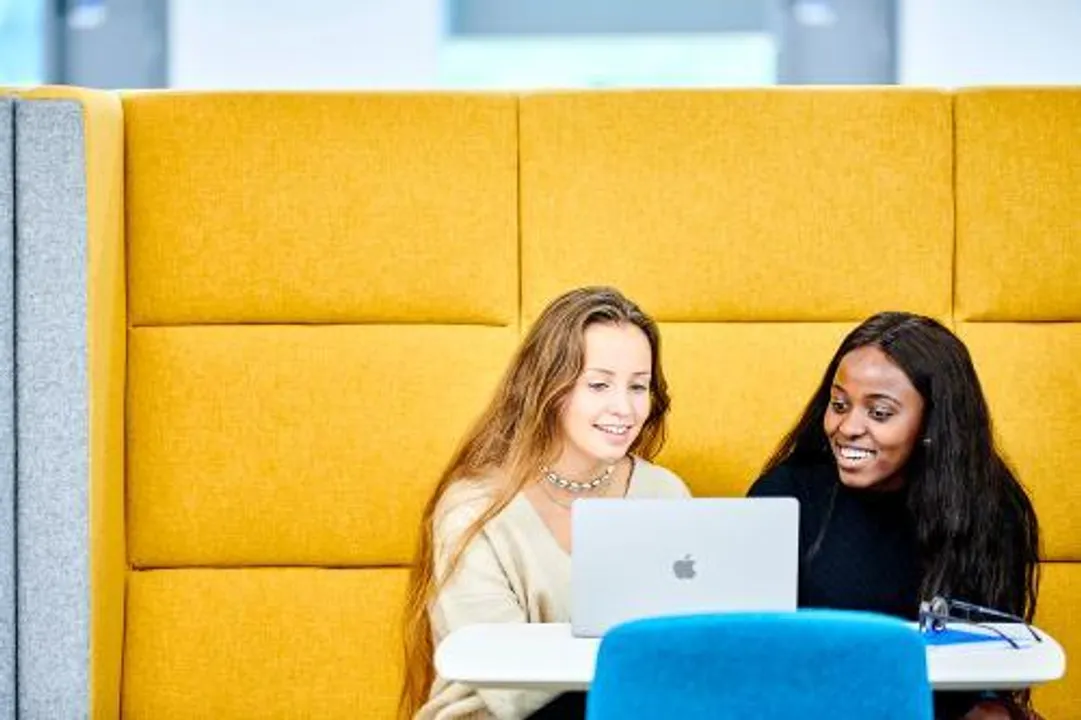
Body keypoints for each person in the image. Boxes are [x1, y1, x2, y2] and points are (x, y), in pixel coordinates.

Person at [399, 286, 691, 720]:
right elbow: (511, 687)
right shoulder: (474, 508)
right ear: (549, 388)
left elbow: (691, 650)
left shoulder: (665, 495)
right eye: (598, 384)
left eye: (638, 387)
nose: (624, 408)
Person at [748, 311, 1041, 720]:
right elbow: (751, 653)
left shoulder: (990, 504)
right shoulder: (785, 495)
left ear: (932, 423)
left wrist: (990, 704)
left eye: (880, 413)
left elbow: (992, 663)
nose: (847, 427)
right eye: (839, 404)